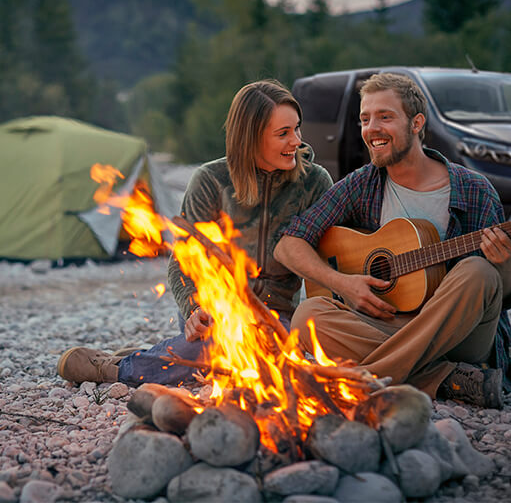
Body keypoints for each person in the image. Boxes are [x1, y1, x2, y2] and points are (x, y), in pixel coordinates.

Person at [274, 72, 511, 409]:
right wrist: (343, 284)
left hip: (459, 334)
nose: (371, 129)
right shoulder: (363, 184)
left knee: (477, 272)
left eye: (385, 117)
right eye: (365, 119)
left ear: (417, 123)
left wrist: (504, 262)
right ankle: (445, 379)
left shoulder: (474, 190)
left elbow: (504, 296)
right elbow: (288, 244)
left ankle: (362, 381)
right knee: (309, 314)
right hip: (388, 323)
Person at [57, 80, 333, 385]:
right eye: (283, 133)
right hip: (214, 312)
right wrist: (194, 308)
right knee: (222, 345)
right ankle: (114, 370)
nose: (296, 141)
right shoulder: (210, 181)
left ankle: (146, 359)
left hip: (278, 317)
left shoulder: (314, 182)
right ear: (250, 138)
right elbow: (182, 261)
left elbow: (331, 255)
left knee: (267, 359)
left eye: (297, 129)